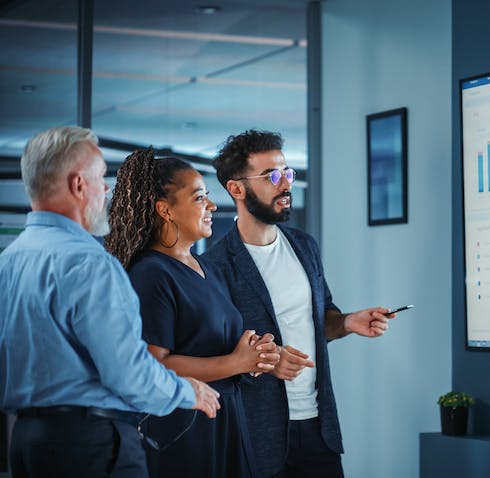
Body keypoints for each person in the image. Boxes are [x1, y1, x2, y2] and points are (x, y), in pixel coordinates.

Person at [0, 126, 221, 478]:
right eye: (101, 177)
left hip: (26, 443)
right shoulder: (89, 262)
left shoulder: (10, 260)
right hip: (91, 446)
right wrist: (186, 391)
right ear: (78, 185)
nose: (105, 190)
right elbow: (127, 372)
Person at [203, 129, 395, 478]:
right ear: (236, 188)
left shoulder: (304, 246)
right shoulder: (215, 267)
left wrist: (348, 322)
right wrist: (266, 362)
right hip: (257, 435)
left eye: (287, 173)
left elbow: (321, 320)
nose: (285, 184)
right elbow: (215, 355)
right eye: (272, 176)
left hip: (319, 429)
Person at [105, 148, 281, 478]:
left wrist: (255, 357)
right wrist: (235, 362)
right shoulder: (151, 274)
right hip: (185, 431)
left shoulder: (205, 268)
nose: (212, 206)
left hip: (226, 419)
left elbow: (212, 344)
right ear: (165, 210)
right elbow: (153, 364)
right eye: (199, 198)